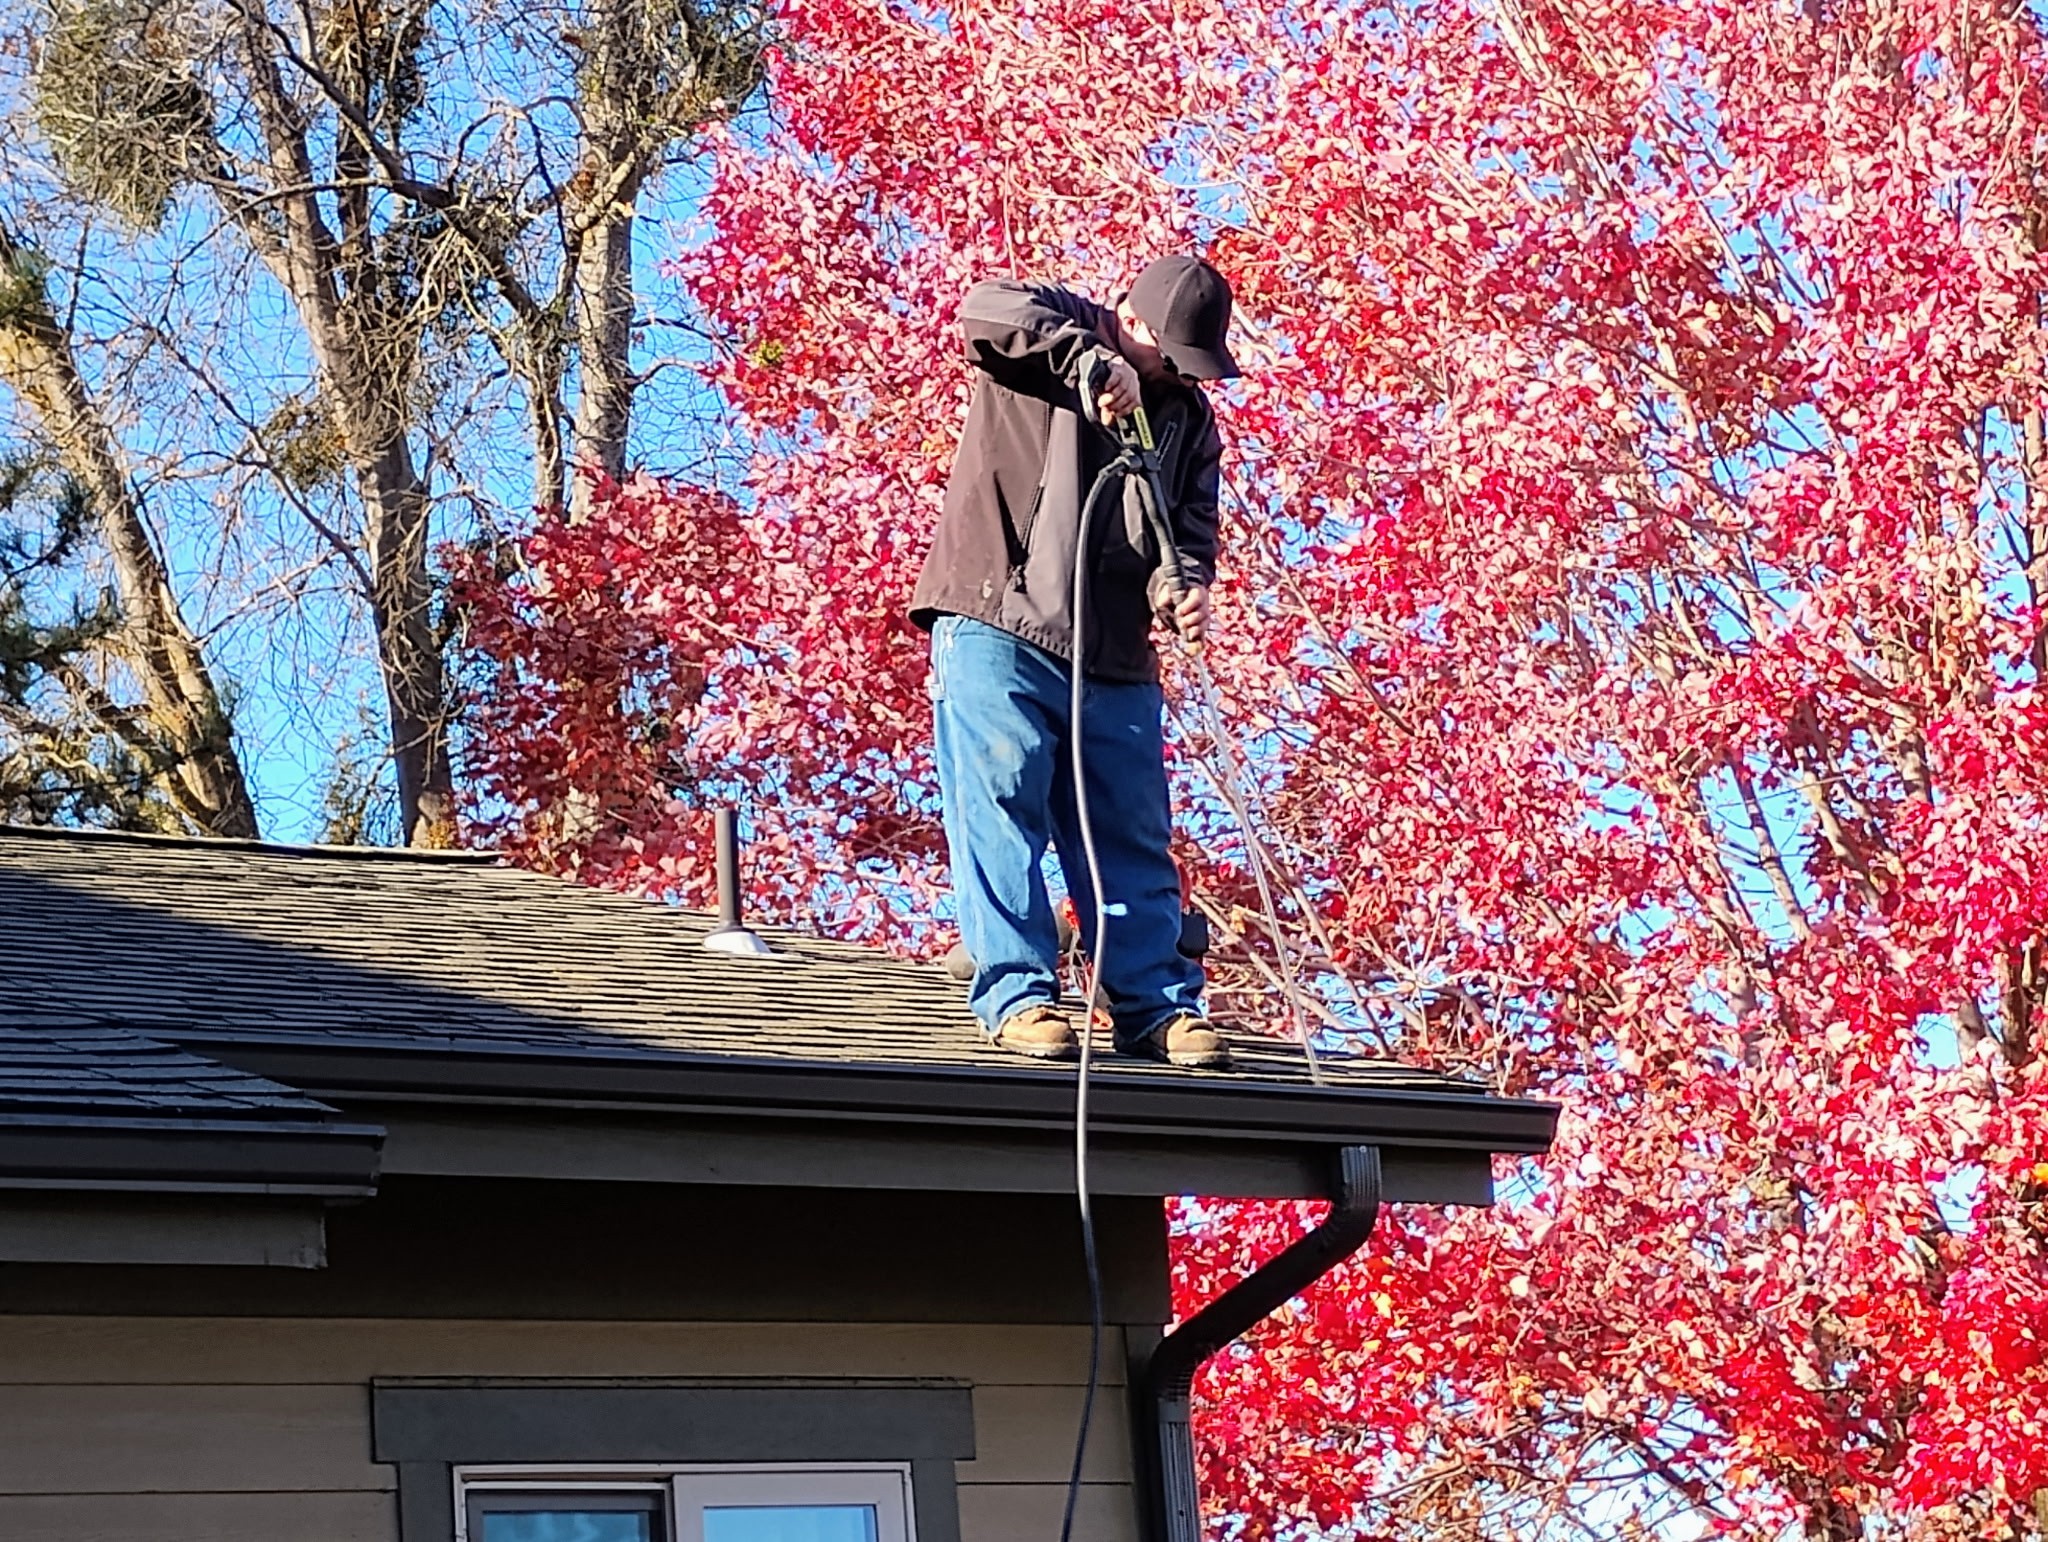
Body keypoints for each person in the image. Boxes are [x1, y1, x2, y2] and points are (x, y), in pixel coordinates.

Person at [909, 255, 1241, 1069]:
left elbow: (1191, 531)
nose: (1176, 376)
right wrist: (1088, 363)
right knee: (1001, 802)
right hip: (999, 616)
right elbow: (983, 308)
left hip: (1116, 654)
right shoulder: (1054, 322)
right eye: (1168, 357)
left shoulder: (1188, 421)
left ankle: (1156, 1007)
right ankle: (1018, 994)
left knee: (1131, 831)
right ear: (1133, 323)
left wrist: (1184, 584)